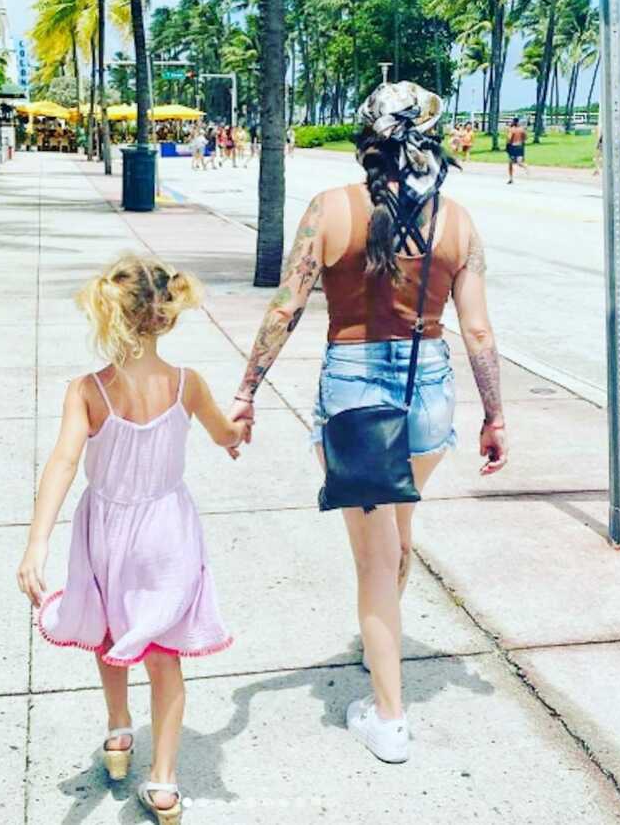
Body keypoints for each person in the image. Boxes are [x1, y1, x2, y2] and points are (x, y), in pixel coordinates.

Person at [228, 81, 508, 765]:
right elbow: (475, 330)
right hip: (430, 390)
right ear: (434, 142)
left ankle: (388, 715)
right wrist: (496, 415)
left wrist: (246, 390)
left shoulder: (329, 210)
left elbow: (284, 309)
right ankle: (379, 646)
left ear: (365, 142)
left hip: (355, 393)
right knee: (398, 533)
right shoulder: (460, 221)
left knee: (374, 563)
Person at [17, 255, 246, 823]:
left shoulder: (87, 390)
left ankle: (119, 733)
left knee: (110, 629)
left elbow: (64, 463)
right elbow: (225, 435)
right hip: (167, 531)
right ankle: (163, 782)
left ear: (108, 314)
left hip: (107, 530)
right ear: (166, 317)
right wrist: (239, 429)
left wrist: (37, 542)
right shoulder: (188, 384)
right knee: (164, 656)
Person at [506, 117, 530, 184]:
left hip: (513, 147)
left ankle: (511, 178)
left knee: (511, 163)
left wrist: (507, 145)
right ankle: (526, 167)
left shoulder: (511, 129)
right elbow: (526, 138)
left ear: (514, 122)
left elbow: (509, 138)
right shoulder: (522, 129)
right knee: (519, 162)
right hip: (520, 147)